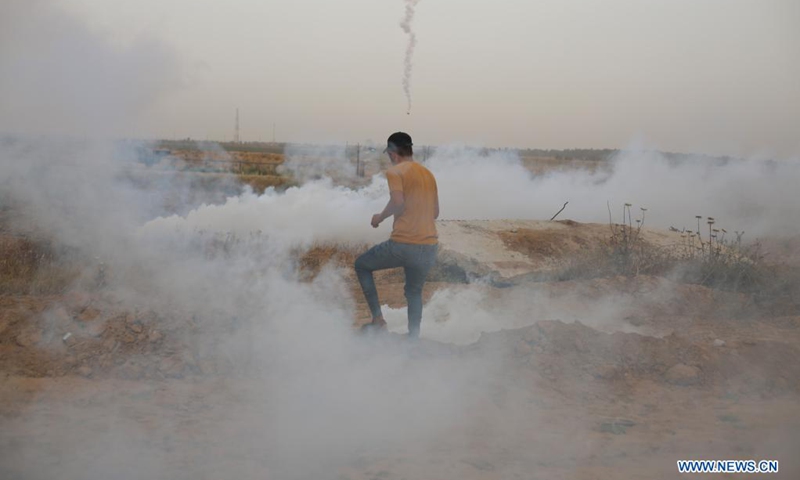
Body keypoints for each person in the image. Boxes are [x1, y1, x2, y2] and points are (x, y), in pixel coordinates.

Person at [355, 132, 439, 338]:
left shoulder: (396, 172)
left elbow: (398, 202)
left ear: (392, 153)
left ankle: (377, 320)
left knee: (362, 265)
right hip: (429, 246)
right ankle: (413, 339)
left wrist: (380, 217)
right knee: (413, 292)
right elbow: (435, 212)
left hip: (404, 244)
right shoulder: (428, 174)